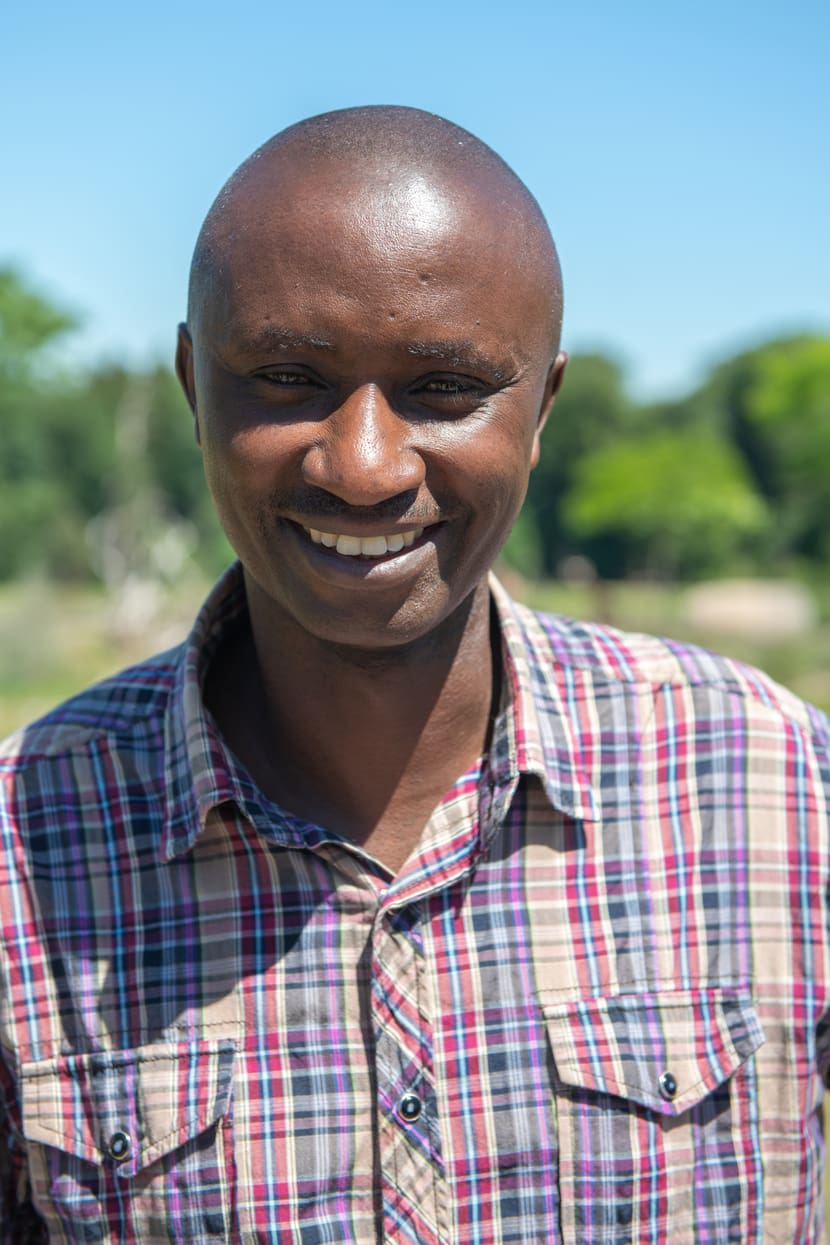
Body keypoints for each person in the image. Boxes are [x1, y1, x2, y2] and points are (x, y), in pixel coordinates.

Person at [1, 105, 828, 1245]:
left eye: (444, 389)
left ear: (540, 406)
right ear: (197, 388)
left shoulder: (777, 790)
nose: (365, 467)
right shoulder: (21, 845)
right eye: (286, 377)